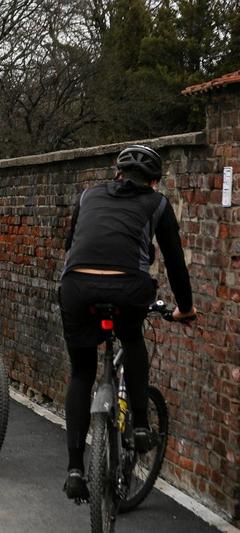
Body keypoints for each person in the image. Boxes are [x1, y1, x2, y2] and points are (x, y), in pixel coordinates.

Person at [59, 145, 197, 501]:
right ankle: (138, 425)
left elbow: (70, 243)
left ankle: (75, 469)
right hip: (128, 288)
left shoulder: (88, 195)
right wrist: (185, 308)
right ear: (153, 181)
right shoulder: (158, 203)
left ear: (117, 173)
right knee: (132, 340)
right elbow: (175, 261)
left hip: (76, 285)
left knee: (81, 372)